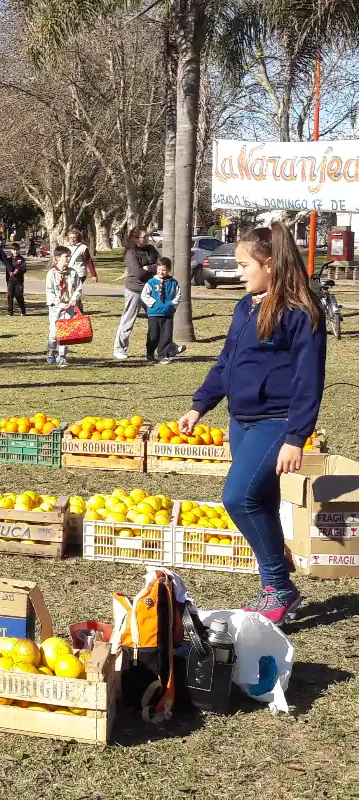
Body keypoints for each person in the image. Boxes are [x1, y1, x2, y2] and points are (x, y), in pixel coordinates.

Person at [179, 222, 326, 625]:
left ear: (271, 265)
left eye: (245, 265)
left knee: (237, 497)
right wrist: (200, 405)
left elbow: (309, 379)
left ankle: (280, 587)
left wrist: (297, 436)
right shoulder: (245, 306)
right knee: (259, 500)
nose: (239, 272)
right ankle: (274, 586)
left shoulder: (301, 312)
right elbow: (227, 363)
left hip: (276, 422)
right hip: (240, 421)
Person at [113, 227, 159, 360]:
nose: (147, 239)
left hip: (151, 290)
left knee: (158, 319)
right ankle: (120, 349)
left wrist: (149, 267)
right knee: (128, 320)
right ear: (135, 238)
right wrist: (150, 269)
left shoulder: (151, 249)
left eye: (147, 236)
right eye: (144, 237)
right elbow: (138, 274)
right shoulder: (131, 253)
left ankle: (163, 347)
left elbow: (160, 266)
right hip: (135, 290)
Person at [45, 245, 81, 368]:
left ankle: (62, 357)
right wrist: (59, 303)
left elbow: (78, 288)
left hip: (69, 307)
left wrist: (73, 299)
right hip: (56, 307)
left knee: (65, 333)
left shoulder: (73, 273)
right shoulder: (51, 274)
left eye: (69, 256)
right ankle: (51, 352)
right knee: (54, 333)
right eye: (66, 256)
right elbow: (49, 291)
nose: (69, 258)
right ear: (58, 258)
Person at [142, 257, 181, 364]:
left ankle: (163, 355)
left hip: (168, 314)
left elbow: (178, 295)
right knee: (153, 335)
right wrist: (154, 303)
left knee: (166, 335)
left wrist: (172, 305)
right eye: (159, 269)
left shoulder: (173, 283)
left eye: (164, 270)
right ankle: (150, 355)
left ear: (168, 270)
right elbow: (144, 295)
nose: (161, 272)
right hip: (154, 313)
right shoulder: (151, 282)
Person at [4, 243, 27, 316]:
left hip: (19, 281)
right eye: (14, 250)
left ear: (19, 250)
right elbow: (8, 268)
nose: (15, 252)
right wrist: (10, 272)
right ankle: (10, 312)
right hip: (10, 281)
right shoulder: (8, 260)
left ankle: (23, 311)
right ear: (11, 251)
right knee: (10, 296)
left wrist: (18, 271)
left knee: (19, 295)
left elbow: (24, 269)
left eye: (17, 250)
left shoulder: (21, 259)